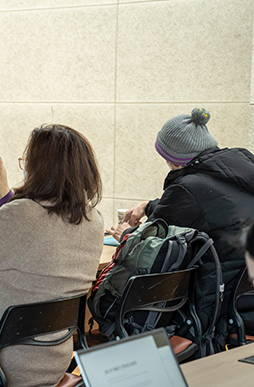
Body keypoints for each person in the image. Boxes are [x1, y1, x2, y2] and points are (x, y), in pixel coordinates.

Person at [0, 124, 104, 387]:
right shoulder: (93, 220)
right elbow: (36, 233)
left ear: (41, 168)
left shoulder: (25, 215)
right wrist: (5, 192)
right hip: (50, 359)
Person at [106, 107, 254, 347]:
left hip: (219, 308)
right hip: (247, 295)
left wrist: (125, 234)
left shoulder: (187, 188)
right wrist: (149, 205)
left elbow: (150, 248)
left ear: (174, 158)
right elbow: (210, 206)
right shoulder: (241, 164)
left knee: (121, 305)